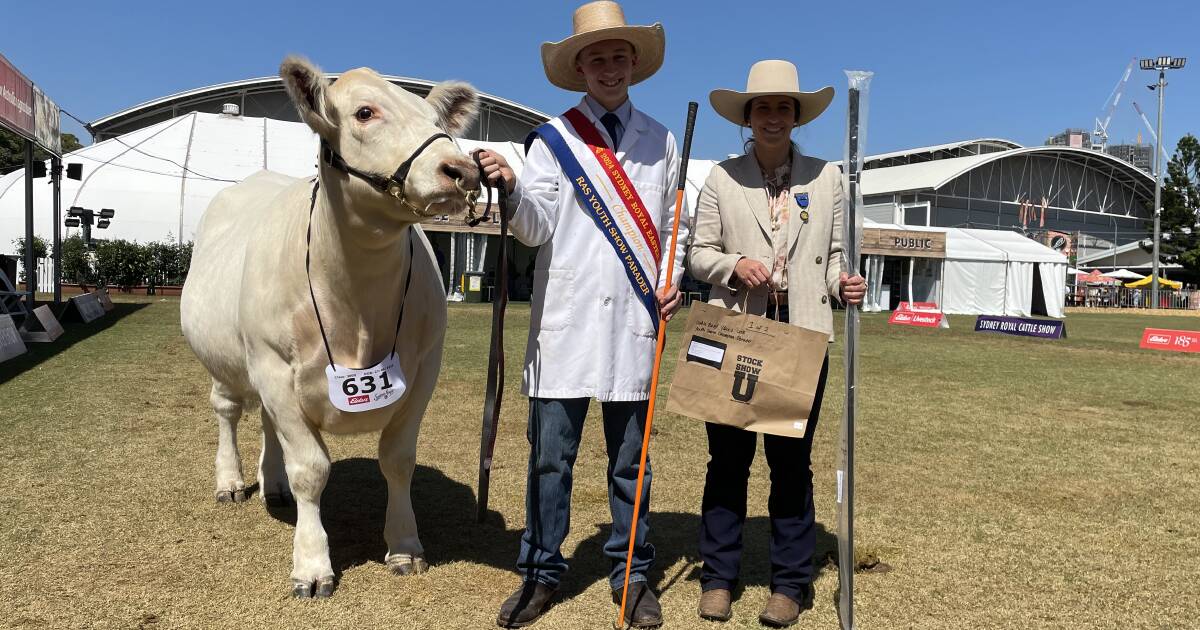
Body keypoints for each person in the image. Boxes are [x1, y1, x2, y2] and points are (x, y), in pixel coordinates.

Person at [475, 2, 687, 627]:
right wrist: (512, 189)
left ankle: (634, 575)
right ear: (580, 67)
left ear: (634, 65)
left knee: (632, 464)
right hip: (563, 326)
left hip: (633, 323)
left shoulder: (663, 139)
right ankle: (540, 574)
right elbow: (535, 226)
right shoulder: (554, 138)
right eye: (598, 58)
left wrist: (672, 280)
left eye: (620, 56)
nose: (610, 67)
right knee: (549, 460)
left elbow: (675, 225)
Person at [686, 59, 866, 627]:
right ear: (747, 116)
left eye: (783, 107)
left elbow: (836, 259)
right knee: (728, 460)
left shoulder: (828, 177)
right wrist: (735, 264)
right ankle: (719, 576)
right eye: (762, 107)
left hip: (802, 337)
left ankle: (789, 583)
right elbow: (697, 253)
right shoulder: (721, 177)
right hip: (735, 329)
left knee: (791, 464)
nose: (772, 117)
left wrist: (845, 283)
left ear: (795, 116)